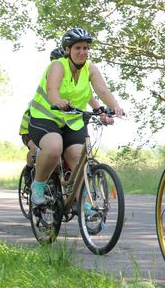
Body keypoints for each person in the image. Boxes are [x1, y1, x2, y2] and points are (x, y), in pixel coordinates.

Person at [28, 28, 124, 206]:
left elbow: (102, 90)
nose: (82, 52)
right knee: (54, 147)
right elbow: (52, 90)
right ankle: (38, 185)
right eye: (77, 48)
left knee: (78, 158)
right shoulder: (58, 65)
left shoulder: (91, 69)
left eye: (85, 48)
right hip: (46, 117)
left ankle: (85, 205)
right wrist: (57, 101)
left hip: (72, 121)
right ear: (67, 50)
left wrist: (114, 107)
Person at [19, 46, 111, 188]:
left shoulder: (77, 81)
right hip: (36, 127)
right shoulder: (52, 77)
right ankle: (32, 173)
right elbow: (51, 93)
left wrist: (103, 113)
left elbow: (92, 99)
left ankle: (79, 197)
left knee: (74, 154)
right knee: (40, 151)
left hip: (66, 124)